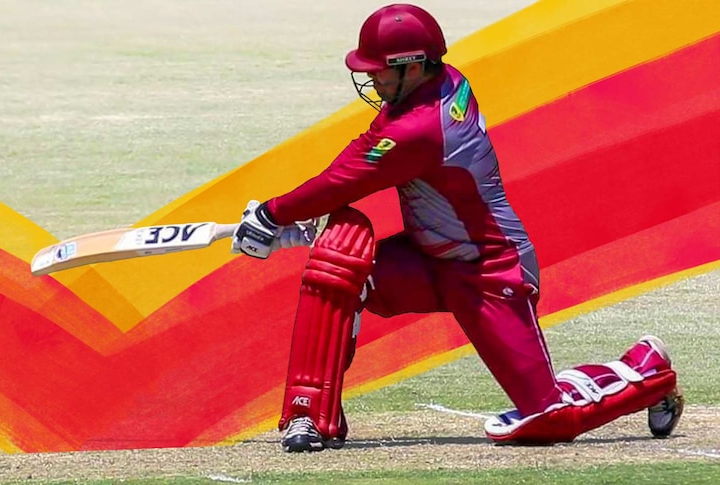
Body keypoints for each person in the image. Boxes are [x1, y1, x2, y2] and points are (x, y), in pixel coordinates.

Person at [231, 3, 684, 452]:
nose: (371, 79)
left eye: (379, 70)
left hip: (491, 271)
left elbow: (349, 177)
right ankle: (309, 414)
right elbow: (355, 164)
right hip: (430, 259)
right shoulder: (441, 82)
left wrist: (271, 216)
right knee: (337, 269)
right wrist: (293, 217)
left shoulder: (422, 129)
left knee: (550, 418)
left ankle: (647, 369)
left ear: (412, 66)